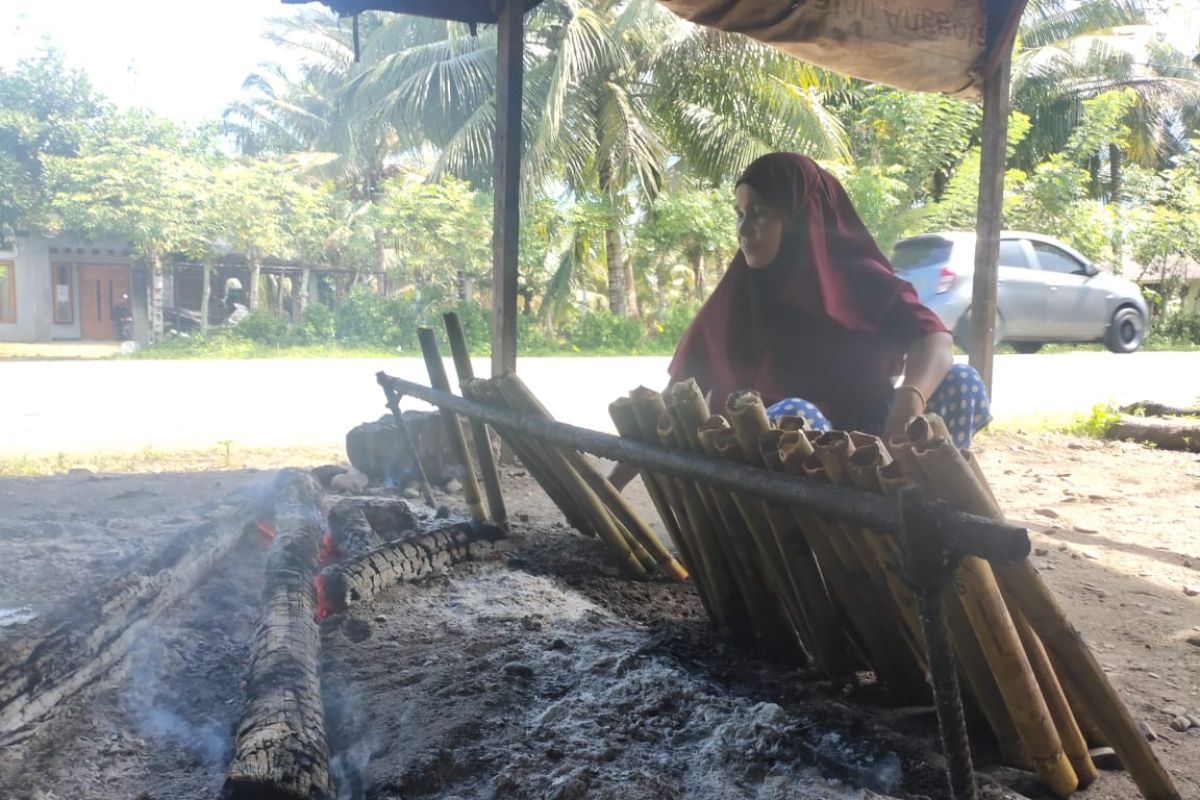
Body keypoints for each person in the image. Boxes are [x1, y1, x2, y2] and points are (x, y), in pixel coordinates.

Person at [611, 152, 989, 488]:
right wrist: (611, 489)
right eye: (740, 215)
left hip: (870, 450)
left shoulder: (861, 279)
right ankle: (820, 539)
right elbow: (674, 401)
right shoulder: (739, 295)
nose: (743, 231)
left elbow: (935, 340)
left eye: (758, 213)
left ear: (801, 216)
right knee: (796, 415)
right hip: (777, 463)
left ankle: (929, 504)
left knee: (963, 382)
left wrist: (910, 398)